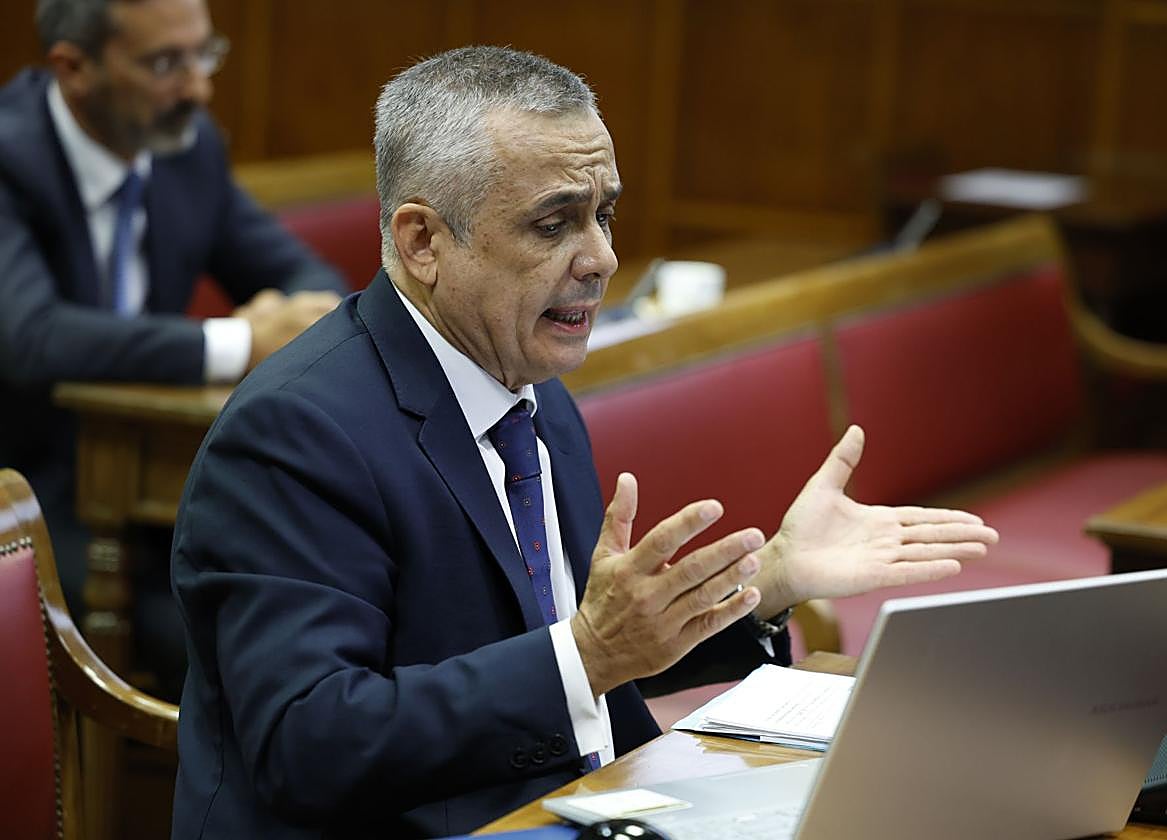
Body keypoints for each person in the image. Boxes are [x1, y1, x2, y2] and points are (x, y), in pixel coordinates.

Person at [170, 46, 998, 838]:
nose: (601, 257)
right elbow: (309, 744)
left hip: (578, 802)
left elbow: (563, 655)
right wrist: (592, 652)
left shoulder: (538, 398)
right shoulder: (295, 435)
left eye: (603, 214)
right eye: (553, 223)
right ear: (423, 242)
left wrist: (766, 582)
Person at [0, 0, 346, 645]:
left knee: (303, 600)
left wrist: (295, 314)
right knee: (212, 631)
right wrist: (242, 341)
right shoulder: (9, 156)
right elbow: (31, 338)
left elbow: (304, 275)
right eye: (166, 63)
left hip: (157, 481)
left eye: (205, 54)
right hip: (25, 496)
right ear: (74, 67)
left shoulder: (186, 145)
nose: (199, 86)